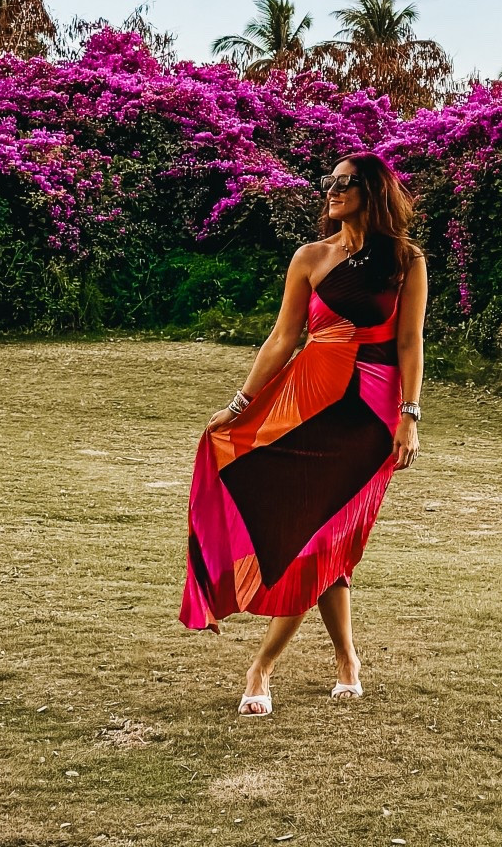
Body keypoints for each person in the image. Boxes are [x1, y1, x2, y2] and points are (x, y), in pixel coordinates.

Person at [179, 151, 427, 714]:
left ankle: (262, 667)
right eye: (330, 182)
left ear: (373, 192)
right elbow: (282, 337)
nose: (332, 190)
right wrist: (240, 404)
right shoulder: (310, 258)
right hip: (305, 401)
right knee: (318, 541)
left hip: (369, 415)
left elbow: (411, 342)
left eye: (346, 183)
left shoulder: (406, 262)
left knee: (318, 541)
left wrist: (409, 416)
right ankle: (347, 659)